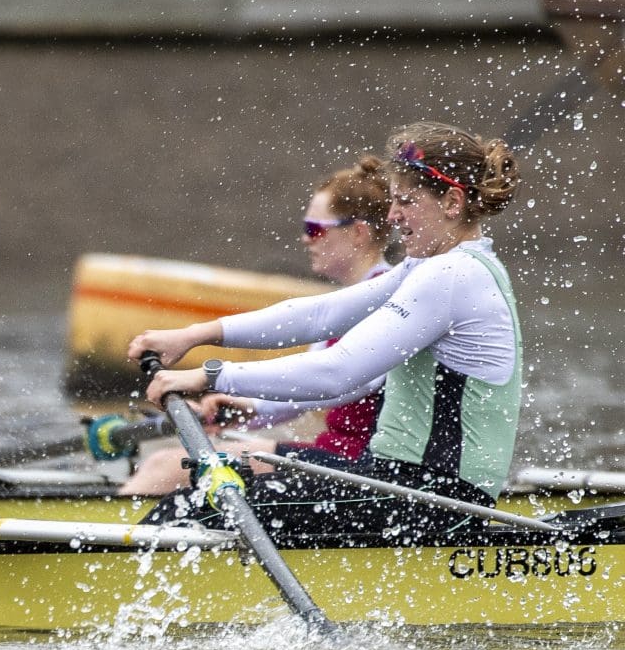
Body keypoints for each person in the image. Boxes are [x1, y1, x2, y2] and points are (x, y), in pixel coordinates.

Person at [128, 122, 522, 540]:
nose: (393, 215)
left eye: (406, 201)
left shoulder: (453, 275)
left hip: (434, 501)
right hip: (401, 484)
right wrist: (194, 335)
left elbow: (339, 372)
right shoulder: (433, 267)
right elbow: (321, 315)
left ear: (452, 203)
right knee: (206, 499)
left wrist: (209, 375)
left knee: (194, 510)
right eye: (393, 201)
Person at [115, 155, 398, 495]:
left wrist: (213, 375)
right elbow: (306, 389)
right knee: (165, 465)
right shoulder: (349, 302)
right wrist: (249, 410)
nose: (306, 239)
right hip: (338, 455)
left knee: (165, 467)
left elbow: (334, 382)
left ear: (358, 232)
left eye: (315, 228)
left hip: (362, 469)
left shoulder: (389, 304)